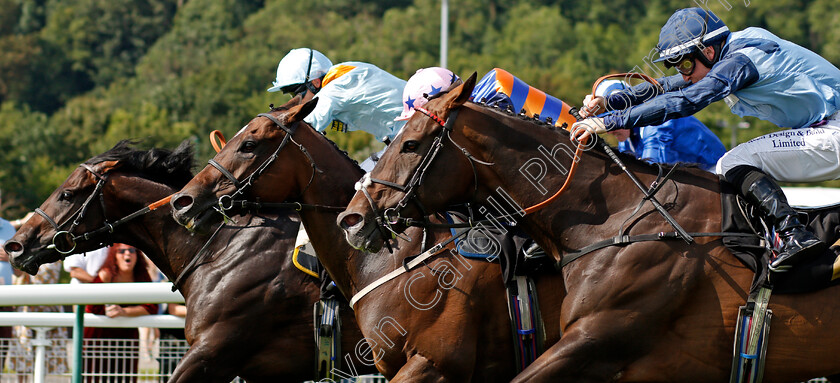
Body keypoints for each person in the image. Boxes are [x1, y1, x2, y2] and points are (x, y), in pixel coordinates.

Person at [574, 7, 840, 271]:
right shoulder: (733, 49)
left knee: (734, 162)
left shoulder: (741, 61)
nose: (684, 73)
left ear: (708, 51)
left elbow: (685, 101)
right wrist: (610, 103)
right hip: (827, 127)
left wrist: (609, 121)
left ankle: (795, 234)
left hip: (833, 130)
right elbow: (668, 86)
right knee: (737, 161)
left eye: (686, 64)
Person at [267, 48, 407, 170]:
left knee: (361, 193)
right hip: (404, 136)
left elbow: (301, 128)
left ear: (315, 82)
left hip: (413, 136)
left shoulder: (335, 89)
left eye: (296, 93)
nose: (296, 101)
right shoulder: (343, 73)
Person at [593, 79, 726, 171]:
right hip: (692, 176)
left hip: (714, 170)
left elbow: (653, 170)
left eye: (612, 120)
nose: (609, 131)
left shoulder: (655, 124)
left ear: (629, 109)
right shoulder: (627, 139)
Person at [84, 244, 158, 382]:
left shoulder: (141, 276)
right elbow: (91, 306)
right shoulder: (105, 274)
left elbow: (151, 307)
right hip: (98, 337)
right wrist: (108, 311)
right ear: (114, 255)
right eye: (122, 251)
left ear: (138, 255)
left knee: (125, 378)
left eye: (132, 250)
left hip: (126, 339)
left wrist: (123, 311)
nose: (127, 254)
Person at [7, 261, 69, 380]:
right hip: (26, 306)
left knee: (46, 355)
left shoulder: (55, 251)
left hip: (49, 307)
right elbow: (19, 274)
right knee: (23, 353)